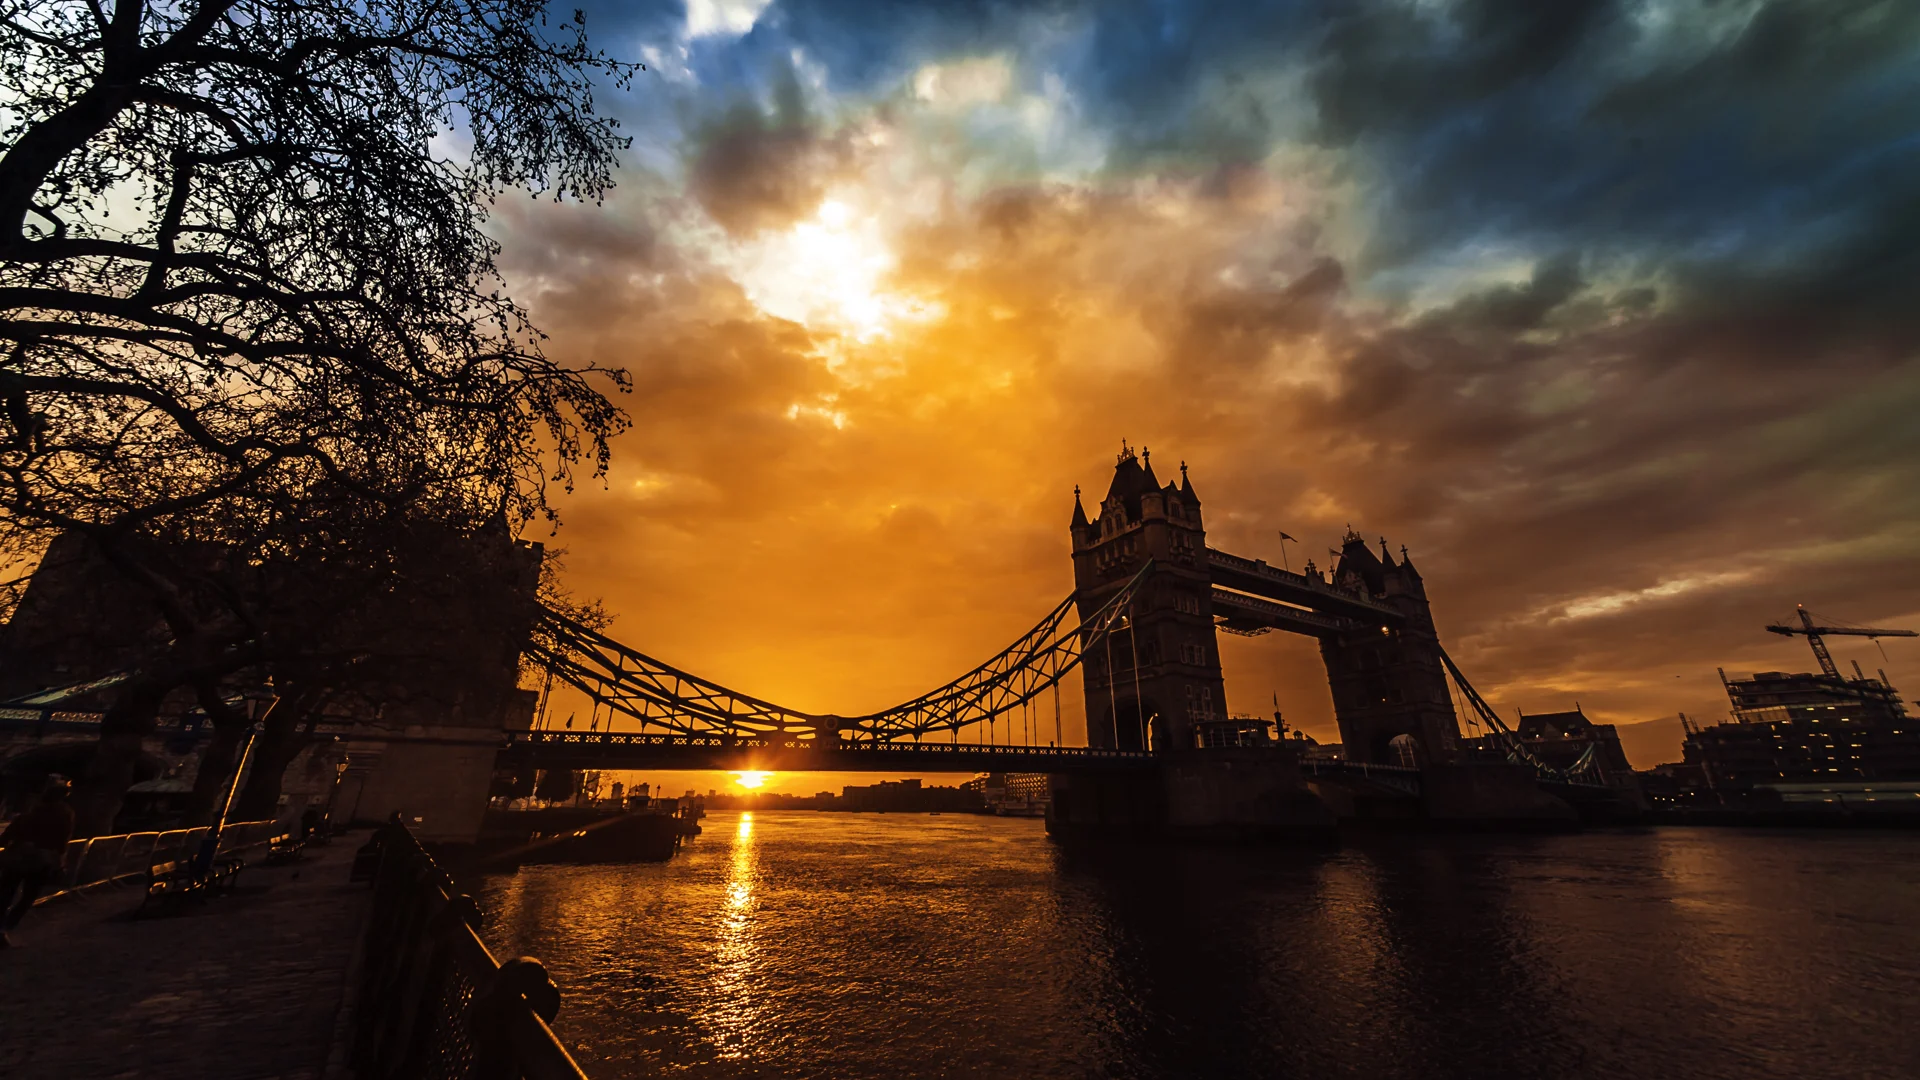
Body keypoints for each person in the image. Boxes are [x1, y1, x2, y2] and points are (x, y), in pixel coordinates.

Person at [0, 775, 76, 947]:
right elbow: (62, 840)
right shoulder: (65, 814)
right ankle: (5, 927)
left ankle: (1, 926)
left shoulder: (30, 811)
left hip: (17, 857)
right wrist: (60, 860)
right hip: (41, 860)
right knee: (28, 896)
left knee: (5, 893)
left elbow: (8, 834)